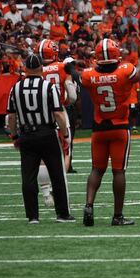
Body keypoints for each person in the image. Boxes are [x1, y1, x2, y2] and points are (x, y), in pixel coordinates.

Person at [80, 38, 140, 227]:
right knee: (118, 171)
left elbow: (81, 77)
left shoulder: (88, 75)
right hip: (119, 127)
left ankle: (89, 205)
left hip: (99, 127)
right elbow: (139, 72)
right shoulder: (124, 70)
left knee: (96, 169)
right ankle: (117, 215)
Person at [6, 54, 74, 224]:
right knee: (57, 175)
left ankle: (32, 216)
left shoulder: (15, 88)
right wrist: (65, 134)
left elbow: (12, 117)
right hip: (47, 133)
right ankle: (62, 214)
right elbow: (58, 113)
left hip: (26, 135)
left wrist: (14, 136)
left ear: (26, 69)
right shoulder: (48, 87)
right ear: (41, 69)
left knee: (28, 177)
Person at [35, 39, 78, 204]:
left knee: (41, 156)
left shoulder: (35, 70)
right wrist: (67, 102)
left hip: (40, 116)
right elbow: (72, 95)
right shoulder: (62, 67)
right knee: (65, 151)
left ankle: (46, 194)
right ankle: (55, 187)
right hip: (59, 111)